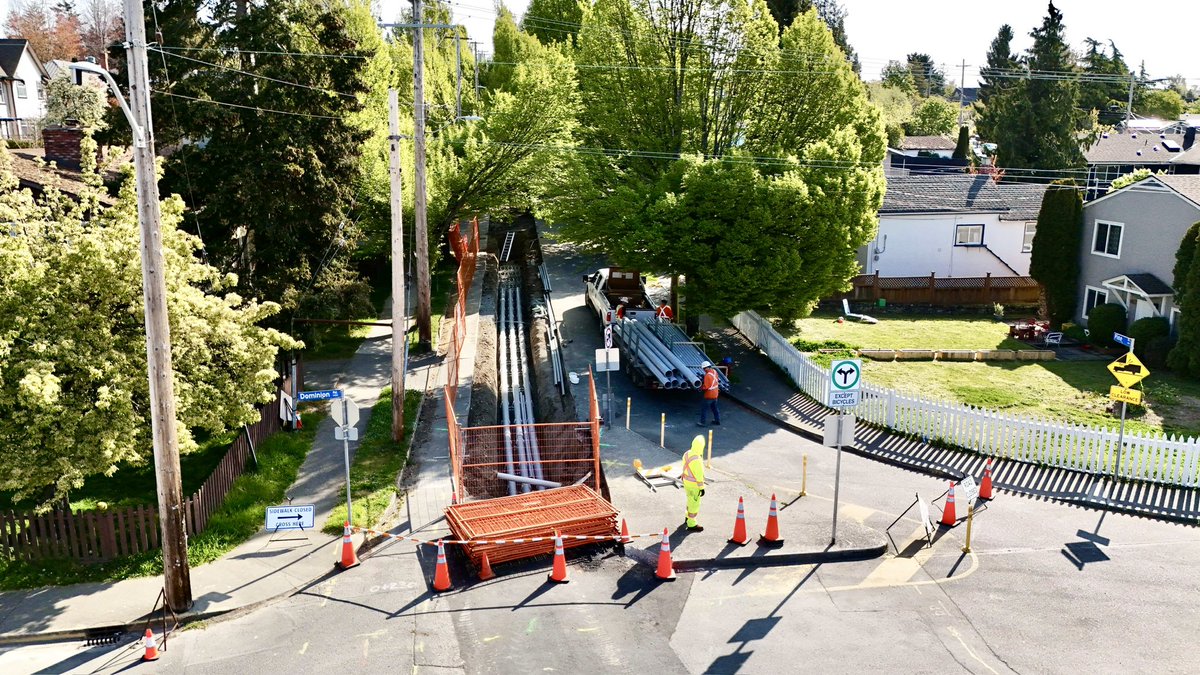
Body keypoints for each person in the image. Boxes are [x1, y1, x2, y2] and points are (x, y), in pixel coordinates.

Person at [681, 435, 707, 531]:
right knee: (694, 503)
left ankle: (687, 517)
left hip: (686, 482)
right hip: (694, 485)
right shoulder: (697, 460)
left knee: (690, 499)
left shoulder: (687, 453)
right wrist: (702, 488)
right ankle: (692, 523)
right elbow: (699, 476)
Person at [699, 360, 720, 426]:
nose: (704, 370)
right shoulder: (715, 371)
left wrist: (700, 388)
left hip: (709, 395)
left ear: (706, 368)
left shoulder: (707, 376)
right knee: (715, 408)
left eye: (704, 369)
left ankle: (702, 422)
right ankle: (717, 420)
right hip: (715, 394)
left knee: (704, 409)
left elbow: (706, 387)